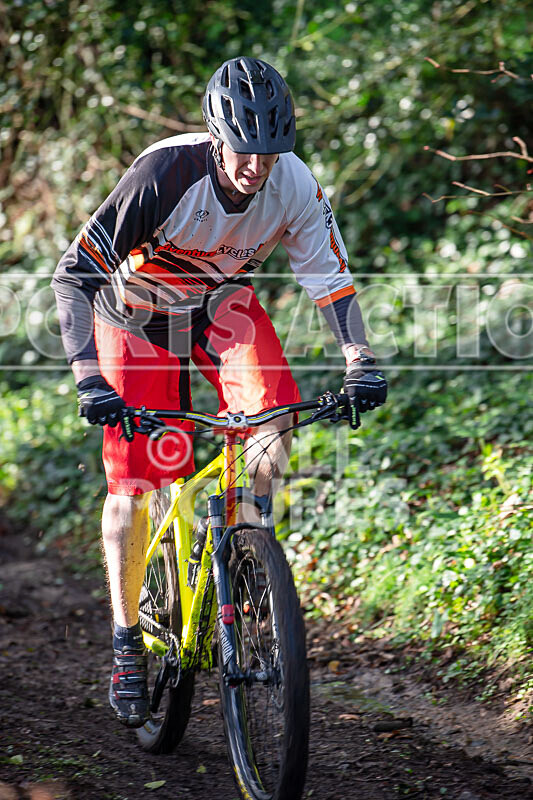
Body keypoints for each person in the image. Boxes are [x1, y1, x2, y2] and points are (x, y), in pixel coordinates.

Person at [52, 57, 387, 728]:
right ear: (214, 135)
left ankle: (242, 551)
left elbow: (332, 282)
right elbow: (73, 275)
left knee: (273, 419)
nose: (255, 167)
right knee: (134, 486)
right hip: (134, 319)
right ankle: (126, 641)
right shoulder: (164, 174)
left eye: (268, 152)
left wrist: (360, 360)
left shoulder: (292, 184)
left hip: (218, 309)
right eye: (242, 150)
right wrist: (89, 378)